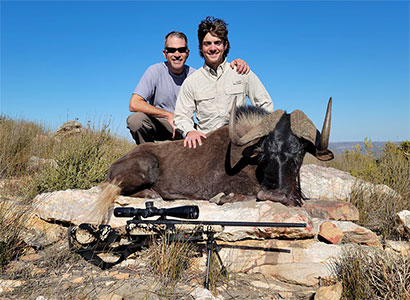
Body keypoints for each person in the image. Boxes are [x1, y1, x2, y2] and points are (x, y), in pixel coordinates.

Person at [127, 31, 250, 144]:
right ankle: (148, 153)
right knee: (136, 120)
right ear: (165, 54)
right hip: (163, 125)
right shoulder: (154, 71)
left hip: (187, 127)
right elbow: (134, 103)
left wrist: (235, 66)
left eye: (181, 50)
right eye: (171, 50)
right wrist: (168, 115)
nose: (176, 54)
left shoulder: (195, 76)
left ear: (187, 53)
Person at [174, 17, 274, 149]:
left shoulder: (241, 72)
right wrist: (190, 131)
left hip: (239, 145)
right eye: (207, 43)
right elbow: (181, 116)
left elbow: (265, 104)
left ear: (225, 45)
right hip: (206, 145)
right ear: (200, 47)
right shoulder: (191, 82)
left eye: (217, 42)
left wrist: (255, 133)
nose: (213, 48)